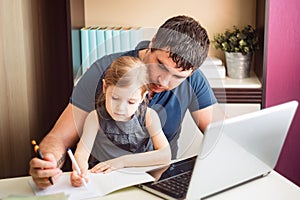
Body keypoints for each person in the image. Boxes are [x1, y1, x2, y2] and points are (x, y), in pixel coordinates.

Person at [29, 15, 223, 189]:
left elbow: (222, 136)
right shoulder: (104, 71)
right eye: (161, 66)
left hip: (160, 183)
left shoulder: (193, 80)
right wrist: (49, 164)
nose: (163, 81)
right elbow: (59, 139)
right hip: (102, 182)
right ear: (153, 42)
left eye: (177, 77)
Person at [70, 56, 171, 187]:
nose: (120, 108)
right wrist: (79, 171)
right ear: (105, 87)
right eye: (115, 98)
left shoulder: (148, 116)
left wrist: (121, 162)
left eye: (131, 102)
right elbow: (81, 155)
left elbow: (165, 155)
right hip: (105, 182)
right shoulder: (95, 118)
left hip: (141, 182)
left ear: (143, 96)